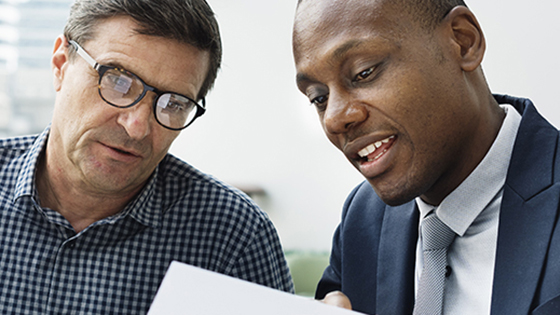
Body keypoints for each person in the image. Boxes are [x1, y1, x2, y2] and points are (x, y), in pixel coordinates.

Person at [0, 0, 293, 313]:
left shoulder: (235, 237)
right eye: (118, 81)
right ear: (61, 64)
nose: (137, 127)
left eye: (174, 104)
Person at [293, 0, 560, 314]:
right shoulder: (362, 220)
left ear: (463, 41)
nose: (334, 119)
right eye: (319, 98)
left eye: (364, 72)